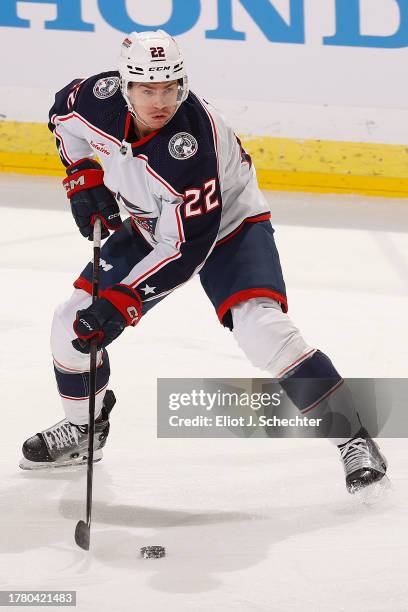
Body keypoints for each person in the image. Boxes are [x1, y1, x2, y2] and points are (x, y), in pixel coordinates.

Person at [20, 30, 387, 494]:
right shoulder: (99, 98)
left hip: (229, 225)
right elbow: (61, 115)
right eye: (148, 89)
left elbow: (186, 249)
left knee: (261, 330)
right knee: (68, 322)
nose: (161, 101)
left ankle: (353, 436)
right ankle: (84, 429)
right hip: (150, 220)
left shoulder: (191, 148)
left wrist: (122, 302)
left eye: (170, 88)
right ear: (124, 85)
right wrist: (82, 176)